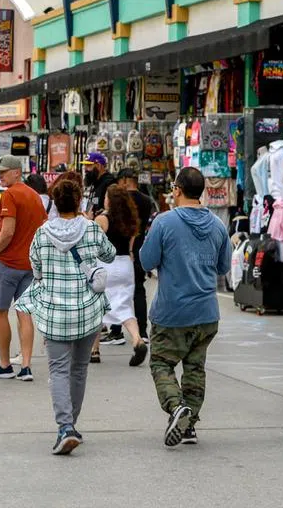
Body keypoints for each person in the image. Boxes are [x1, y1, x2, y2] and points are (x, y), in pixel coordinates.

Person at [16, 178, 115, 454]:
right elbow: (109, 254)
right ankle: (72, 423)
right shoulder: (92, 230)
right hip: (87, 312)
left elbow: (35, 268)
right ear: (79, 200)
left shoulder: (42, 233)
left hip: (55, 312)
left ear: (55, 203)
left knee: (58, 369)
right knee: (79, 368)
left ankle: (65, 426)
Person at [139, 167, 232, 447]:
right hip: (206, 312)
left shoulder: (164, 222)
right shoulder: (217, 225)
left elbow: (146, 261)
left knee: (161, 362)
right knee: (195, 367)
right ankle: (189, 426)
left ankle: (176, 406)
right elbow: (224, 267)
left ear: (177, 190)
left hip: (172, 310)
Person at [0, 155, 46, 382]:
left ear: (17, 172)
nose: (0, 176)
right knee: (25, 314)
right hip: (30, 265)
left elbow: (7, 231)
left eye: (4, 172)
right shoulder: (35, 197)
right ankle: (26, 366)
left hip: (8, 263)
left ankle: (4, 364)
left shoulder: (10, 195)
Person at [92, 186, 148, 366]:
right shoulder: (131, 219)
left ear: (110, 200)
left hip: (106, 265)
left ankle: (94, 350)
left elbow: (94, 243)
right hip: (125, 264)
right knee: (124, 306)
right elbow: (132, 245)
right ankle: (137, 339)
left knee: (97, 306)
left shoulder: (102, 219)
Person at [118, 168, 155, 344]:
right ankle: (142, 330)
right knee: (139, 290)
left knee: (117, 292)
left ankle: (116, 330)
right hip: (141, 248)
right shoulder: (147, 200)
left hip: (122, 249)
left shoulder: (122, 201)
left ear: (125, 180)